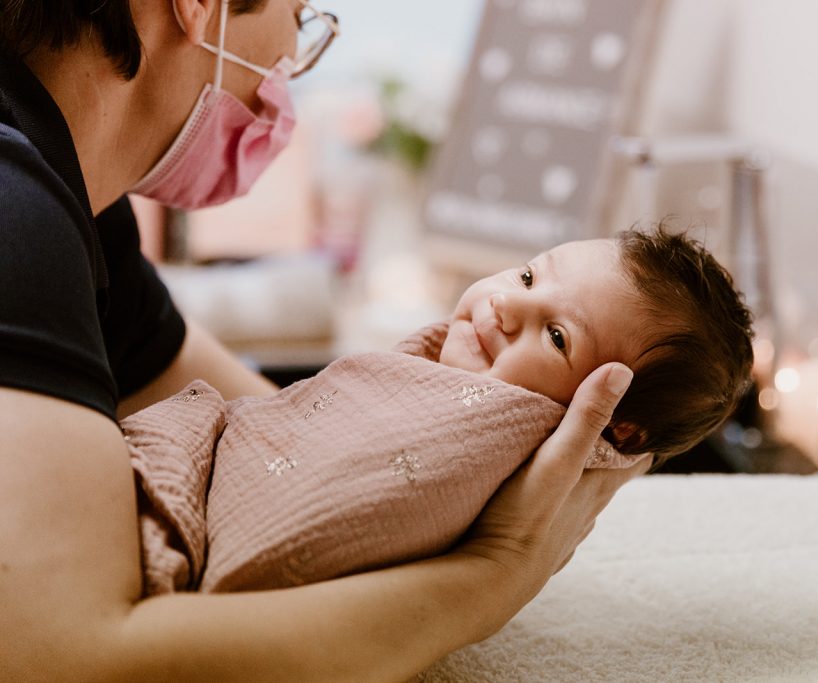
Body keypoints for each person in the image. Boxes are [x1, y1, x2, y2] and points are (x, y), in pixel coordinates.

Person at [0, 2, 649, 680]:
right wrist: (494, 574)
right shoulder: (16, 214)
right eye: (300, 11)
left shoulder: (80, 217)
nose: (291, 60)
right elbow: (70, 657)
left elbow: (287, 437)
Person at [125, 229, 755, 595]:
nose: (506, 304)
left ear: (613, 424)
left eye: (558, 337)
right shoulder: (428, 372)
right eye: (531, 277)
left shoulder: (489, 443)